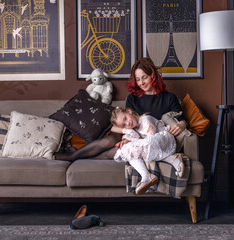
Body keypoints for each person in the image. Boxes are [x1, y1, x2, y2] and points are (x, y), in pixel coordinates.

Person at [54, 57, 187, 162]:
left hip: (149, 137)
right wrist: (125, 137)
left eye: (144, 77)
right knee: (109, 141)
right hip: (130, 131)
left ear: (153, 75)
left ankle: (79, 158)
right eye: (138, 79)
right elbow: (127, 123)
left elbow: (181, 119)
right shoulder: (133, 98)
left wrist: (182, 124)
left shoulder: (169, 98)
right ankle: (71, 157)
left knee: (114, 153)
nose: (141, 83)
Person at [110, 107, 184, 195]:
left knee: (143, 146)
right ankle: (146, 176)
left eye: (125, 118)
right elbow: (113, 129)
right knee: (126, 149)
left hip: (164, 141)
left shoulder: (145, 119)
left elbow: (150, 140)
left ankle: (172, 159)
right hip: (153, 147)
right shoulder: (134, 129)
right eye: (124, 125)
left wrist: (130, 135)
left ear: (129, 111)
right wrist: (127, 132)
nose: (128, 123)